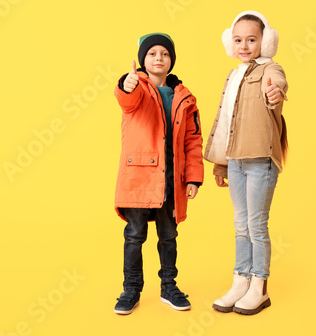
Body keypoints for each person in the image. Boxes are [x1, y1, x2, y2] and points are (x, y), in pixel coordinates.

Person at [204, 11, 288, 315]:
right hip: (236, 162)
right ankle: (240, 280)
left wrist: (275, 91)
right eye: (238, 39)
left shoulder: (270, 68)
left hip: (260, 162)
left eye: (251, 39)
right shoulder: (234, 74)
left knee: (256, 224)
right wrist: (221, 163)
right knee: (241, 224)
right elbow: (227, 120)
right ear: (231, 42)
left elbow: (277, 86)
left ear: (265, 41)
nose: (244, 45)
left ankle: (259, 287)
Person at [113, 33, 204, 315]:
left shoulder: (185, 96)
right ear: (143, 60)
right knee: (134, 235)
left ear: (171, 60)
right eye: (152, 54)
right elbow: (127, 100)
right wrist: (125, 84)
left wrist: (192, 177)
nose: (158, 58)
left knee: (169, 235)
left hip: (171, 176)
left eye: (164, 54)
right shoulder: (137, 87)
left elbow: (192, 139)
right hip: (139, 175)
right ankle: (131, 290)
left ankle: (169, 286)